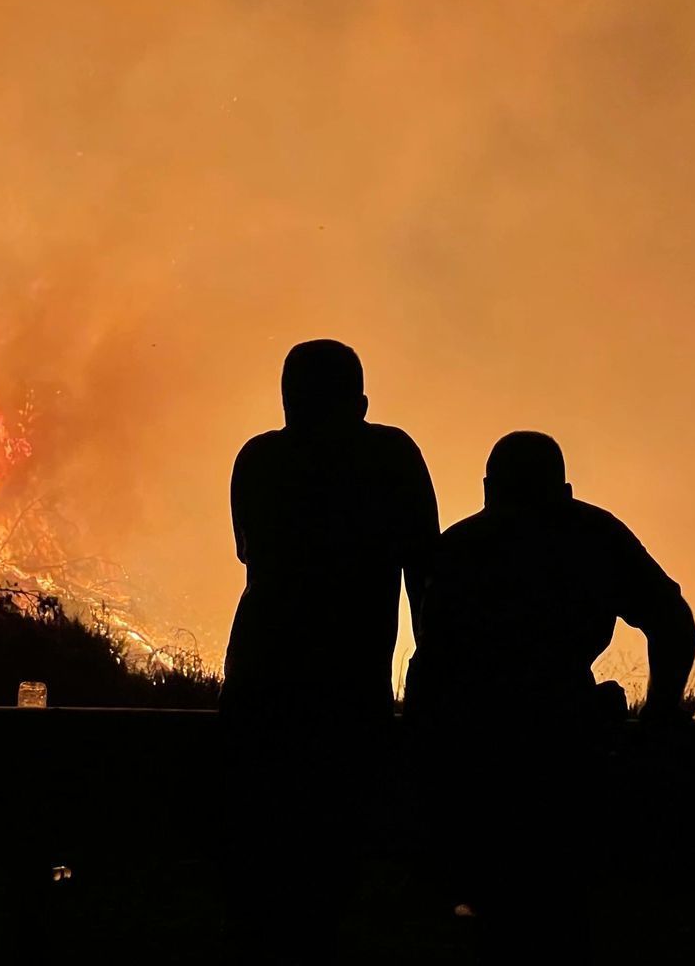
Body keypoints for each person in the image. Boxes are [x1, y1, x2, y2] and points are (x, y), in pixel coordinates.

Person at [405, 430, 695, 957]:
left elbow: (430, 664)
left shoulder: (463, 545)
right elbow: (671, 619)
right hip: (561, 744)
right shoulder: (593, 535)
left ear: (487, 490)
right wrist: (660, 712)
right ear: (563, 490)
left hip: (481, 753)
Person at [220, 338, 439, 959]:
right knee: (334, 864)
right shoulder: (390, 457)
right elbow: (425, 572)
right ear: (361, 403)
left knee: (261, 863)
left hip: (260, 680)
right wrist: (431, 671)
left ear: (286, 401)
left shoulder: (259, 459)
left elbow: (250, 553)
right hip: (350, 686)